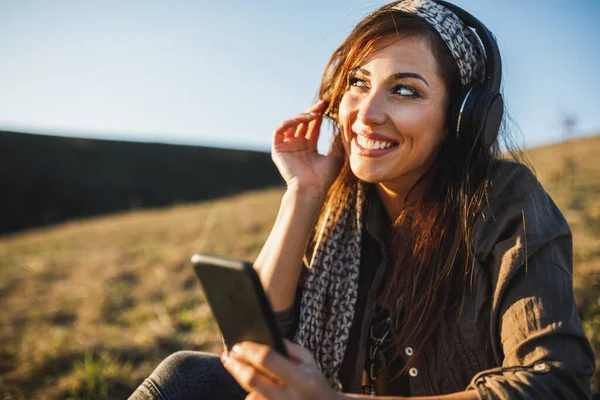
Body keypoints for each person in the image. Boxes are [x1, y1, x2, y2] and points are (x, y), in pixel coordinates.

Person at [130, 0, 596, 399]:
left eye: (405, 90)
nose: (367, 115)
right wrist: (304, 192)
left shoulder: (505, 201)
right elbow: (261, 346)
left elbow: (553, 383)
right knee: (187, 374)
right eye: (358, 82)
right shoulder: (342, 212)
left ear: (462, 120)